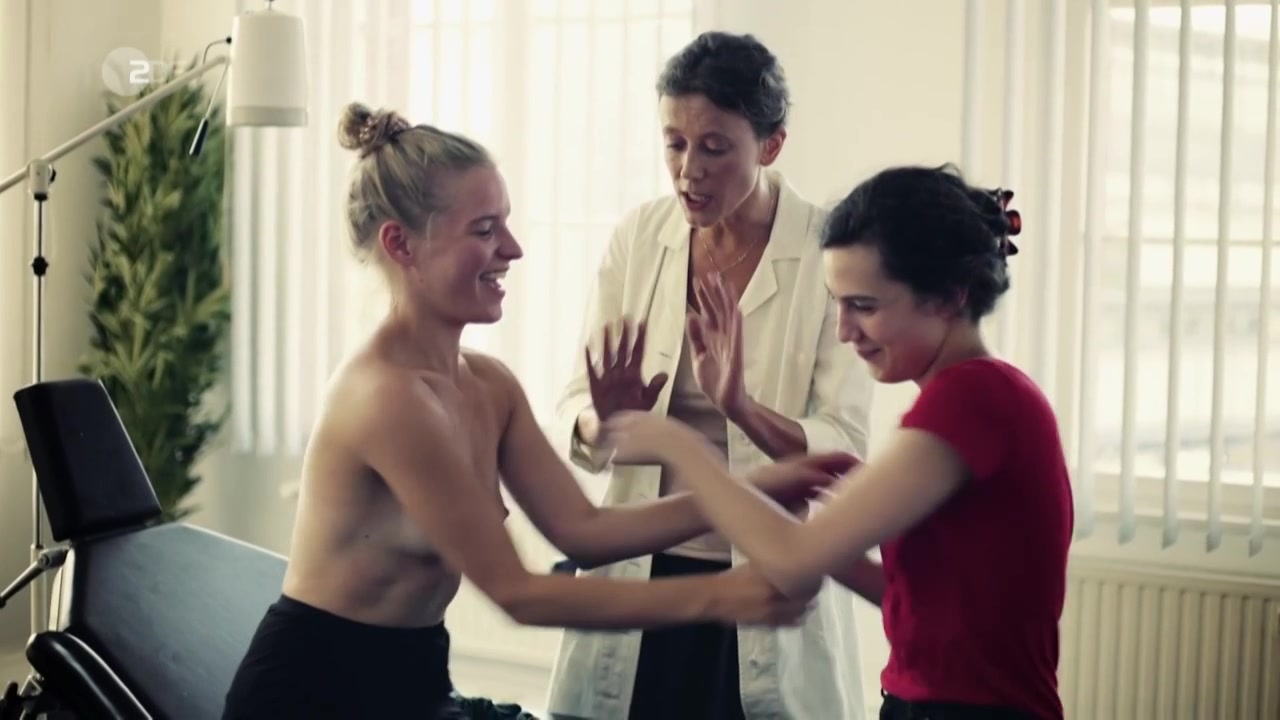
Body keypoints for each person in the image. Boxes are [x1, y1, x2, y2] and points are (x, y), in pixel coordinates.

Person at [219, 103, 848, 720]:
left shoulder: (488, 385)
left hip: (414, 683)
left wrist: (754, 489)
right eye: (484, 230)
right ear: (400, 244)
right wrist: (723, 596)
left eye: (507, 224)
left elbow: (583, 531)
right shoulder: (387, 399)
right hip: (313, 697)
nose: (513, 249)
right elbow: (517, 592)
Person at [601, 164, 1074, 720]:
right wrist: (810, 512)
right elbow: (910, 595)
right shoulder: (979, 396)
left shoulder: (971, 400)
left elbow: (793, 563)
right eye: (839, 303)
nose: (845, 331)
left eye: (864, 306)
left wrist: (674, 444)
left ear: (949, 297)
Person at [545, 31, 875, 720]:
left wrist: (742, 406)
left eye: (715, 147)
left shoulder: (828, 252)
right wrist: (604, 421)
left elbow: (842, 442)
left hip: (766, 575)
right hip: (643, 568)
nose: (688, 171)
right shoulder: (640, 237)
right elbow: (579, 401)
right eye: (674, 143)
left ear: (771, 146)